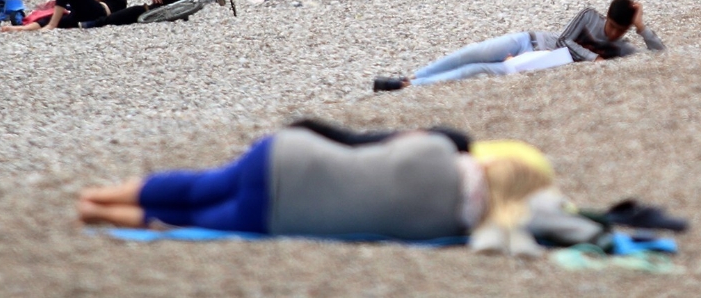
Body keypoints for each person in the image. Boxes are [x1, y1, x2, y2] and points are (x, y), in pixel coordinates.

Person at [74, 125, 555, 256]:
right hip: (277, 218)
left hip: (293, 156)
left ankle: (103, 191)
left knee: (201, 186)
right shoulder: (449, 227)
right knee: (190, 221)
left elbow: (379, 143)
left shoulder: (436, 154)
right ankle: (98, 213)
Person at [375, 0, 665, 90]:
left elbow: (661, 56)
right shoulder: (590, 16)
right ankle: (413, 75)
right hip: (531, 40)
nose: (613, 34)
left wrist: (641, 26)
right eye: (612, 27)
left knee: (478, 69)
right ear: (607, 18)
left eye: (620, 30)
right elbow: (564, 39)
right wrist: (593, 59)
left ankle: (409, 87)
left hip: (536, 63)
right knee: (471, 53)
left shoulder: (622, 49)